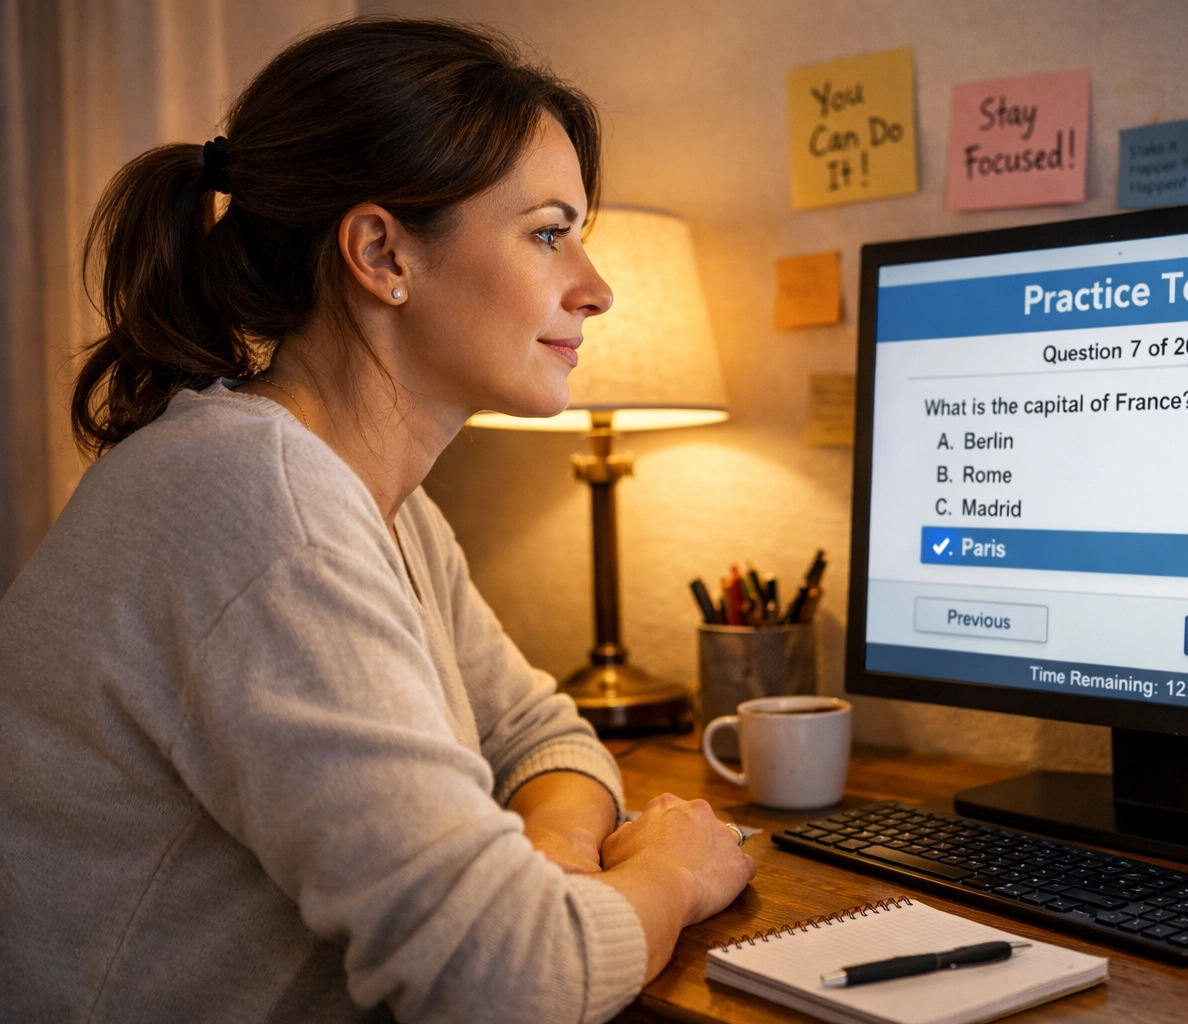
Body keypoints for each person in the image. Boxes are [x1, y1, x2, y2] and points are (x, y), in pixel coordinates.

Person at [0, 17, 754, 1024]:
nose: (596, 287)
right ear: (380, 253)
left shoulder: (365, 495)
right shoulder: (262, 505)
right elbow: (504, 981)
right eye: (547, 233)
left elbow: (539, 734)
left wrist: (560, 867)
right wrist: (673, 874)